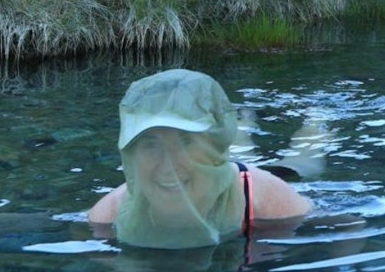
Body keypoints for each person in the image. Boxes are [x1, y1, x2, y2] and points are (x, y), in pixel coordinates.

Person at [88, 68, 314, 249]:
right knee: (241, 147)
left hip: (245, 179)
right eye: (151, 144)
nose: (168, 167)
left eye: (185, 142)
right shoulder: (109, 214)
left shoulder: (265, 198)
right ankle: (244, 121)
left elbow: (343, 230)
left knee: (299, 165)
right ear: (132, 154)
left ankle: (315, 123)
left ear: (214, 147)